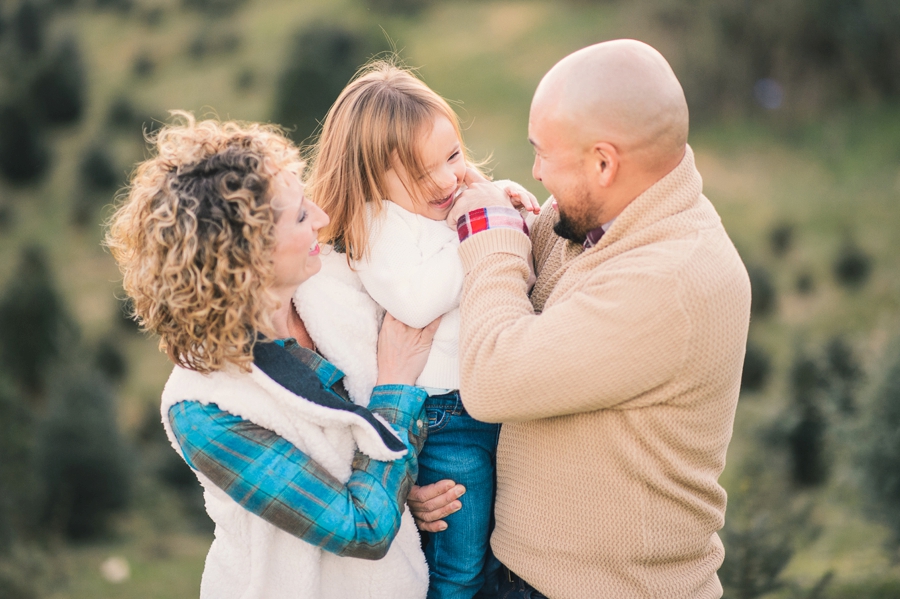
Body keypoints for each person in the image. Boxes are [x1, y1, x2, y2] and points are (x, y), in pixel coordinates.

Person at [410, 39, 752, 599]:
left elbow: (493, 380)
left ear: (602, 162)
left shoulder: (669, 279)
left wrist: (490, 239)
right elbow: (529, 265)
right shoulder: (608, 220)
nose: (537, 171)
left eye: (543, 153)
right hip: (526, 574)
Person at [105, 112, 439, 599]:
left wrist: (402, 489)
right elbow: (362, 528)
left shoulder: (331, 287)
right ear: (247, 257)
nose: (322, 218)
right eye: (302, 215)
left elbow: (367, 461)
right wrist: (396, 390)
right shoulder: (204, 408)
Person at [297, 60, 539, 599]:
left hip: (494, 402)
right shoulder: (376, 226)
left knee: (511, 547)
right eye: (419, 171)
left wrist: (495, 197)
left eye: (453, 157)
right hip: (446, 418)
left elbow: (467, 215)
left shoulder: (448, 205)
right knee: (460, 562)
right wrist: (486, 225)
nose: (446, 179)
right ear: (371, 178)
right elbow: (419, 299)